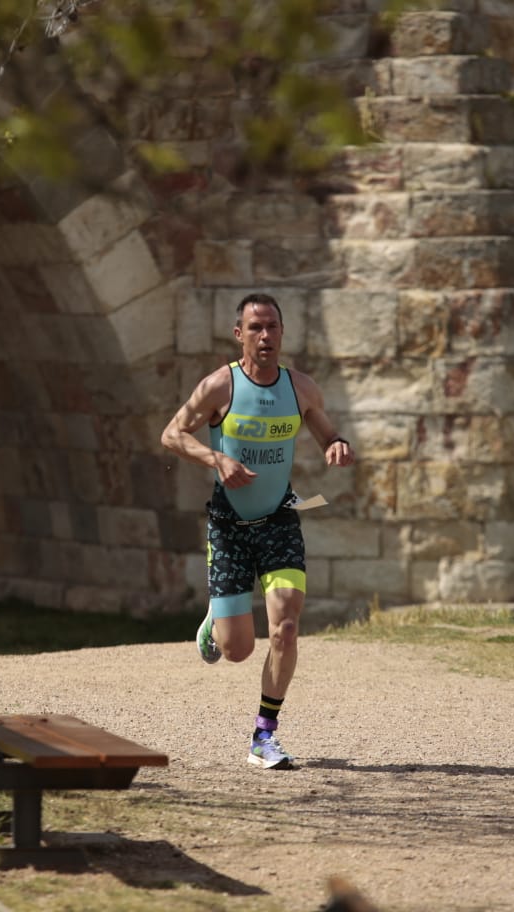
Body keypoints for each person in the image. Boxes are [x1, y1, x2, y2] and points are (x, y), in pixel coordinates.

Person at [160, 292, 354, 769]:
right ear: (239, 334)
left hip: (279, 521)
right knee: (238, 650)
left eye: (272, 327)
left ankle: (264, 735)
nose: (265, 336)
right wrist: (216, 458)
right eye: (256, 328)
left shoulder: (301, 388)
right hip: (228, 527)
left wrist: (337, 445)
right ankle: (215, 623)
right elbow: (172, 434)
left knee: (286, 626)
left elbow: (328, 431)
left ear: (282, 333)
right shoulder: (219, 386)